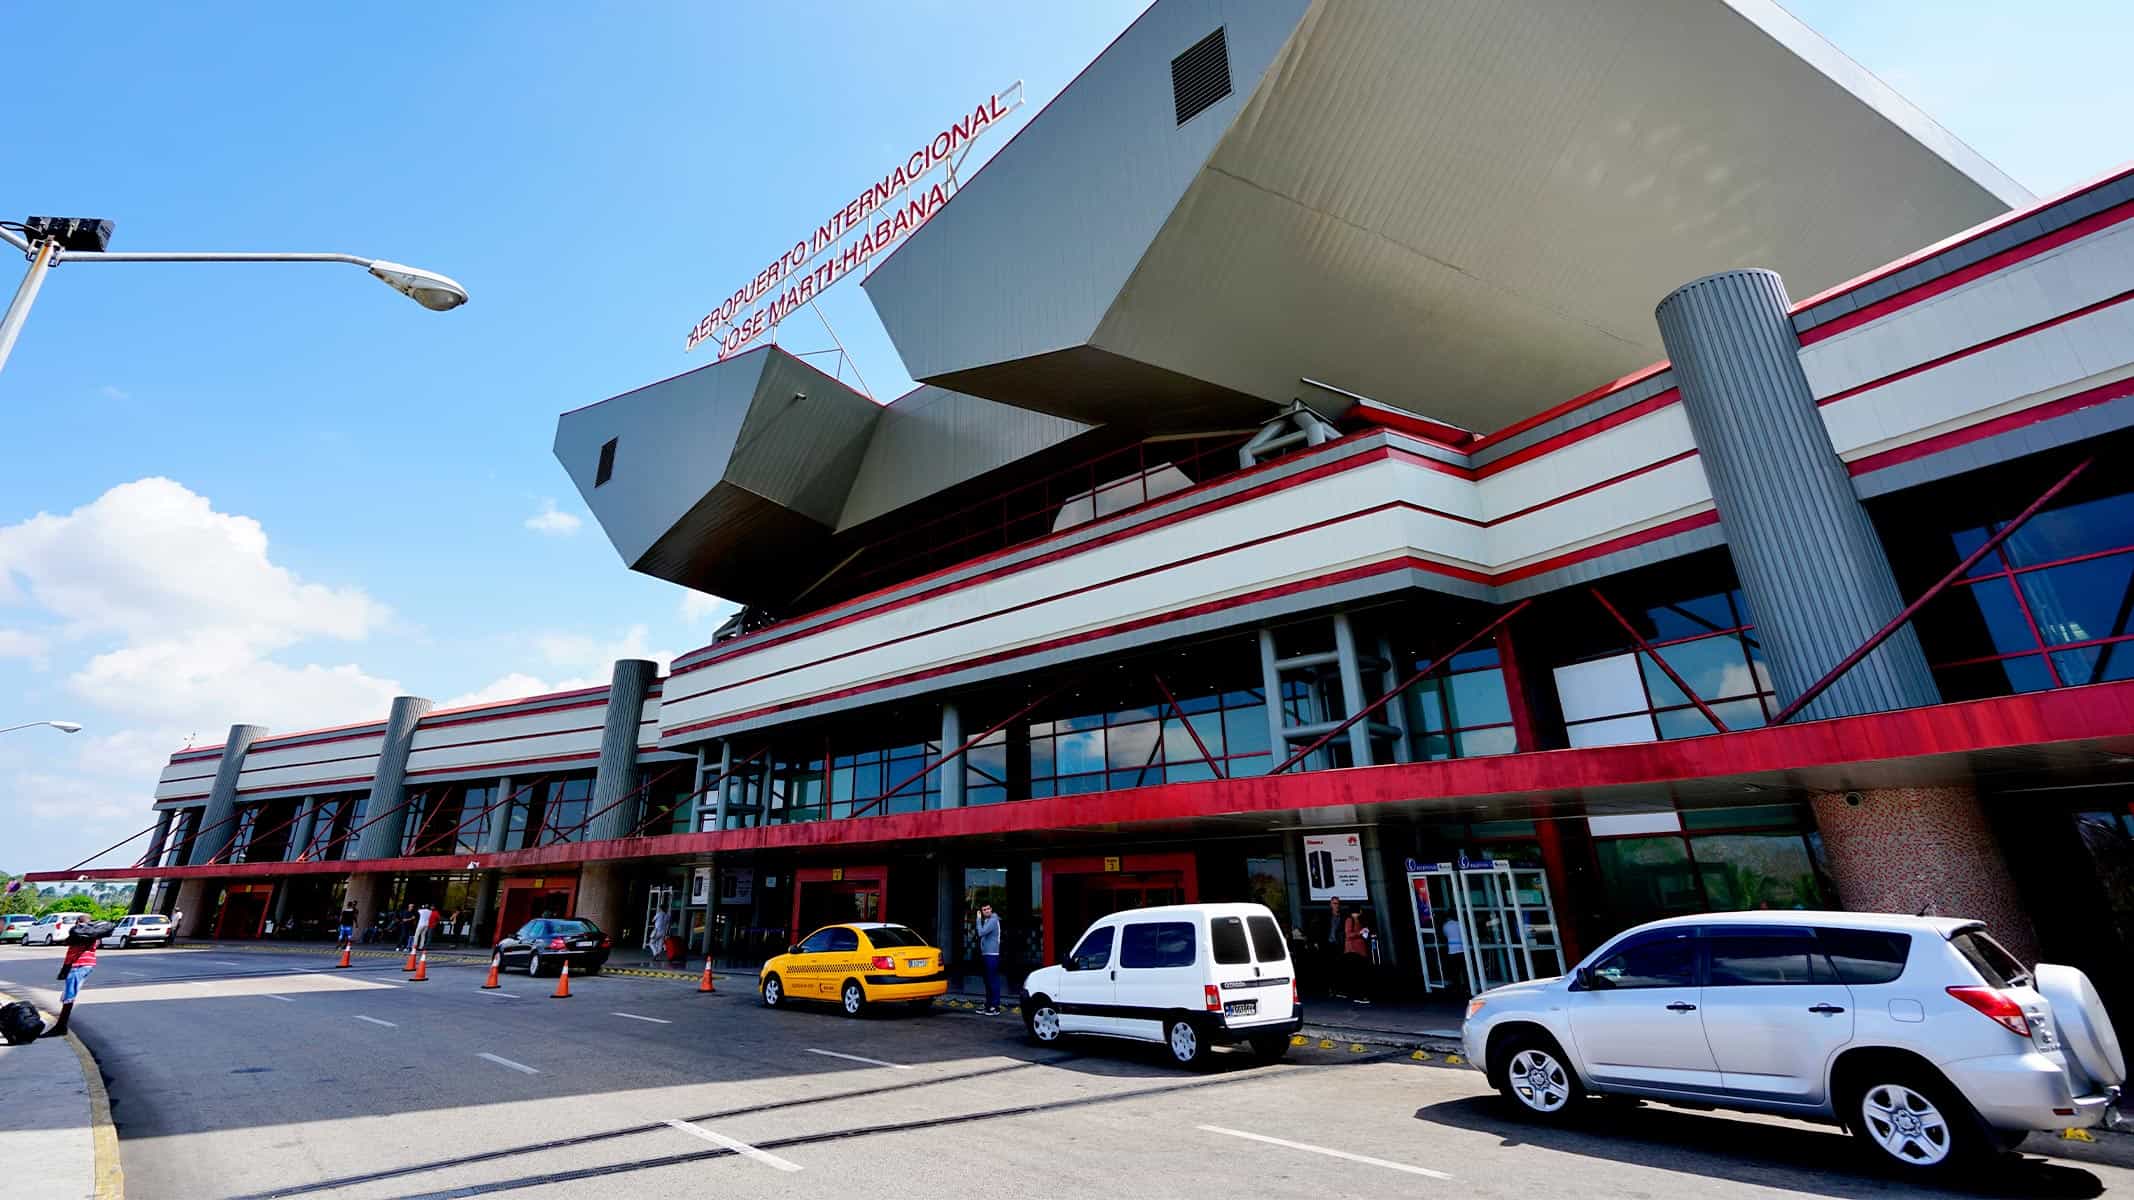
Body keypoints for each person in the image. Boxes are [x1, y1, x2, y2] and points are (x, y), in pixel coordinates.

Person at [48, 927, 97, 1038]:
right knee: (69, 995)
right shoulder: (93, 935)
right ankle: (61, 1025)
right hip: (87, 964)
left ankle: (61, 1026)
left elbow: (67, 944)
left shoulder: (80, 934)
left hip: (78, 965)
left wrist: (64, 970)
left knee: (69, 996)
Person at [974, 902, 1002, 1015]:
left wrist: (978, 919)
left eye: (988, 909)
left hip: (992, 955)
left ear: (991, 909)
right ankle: (989, 1005)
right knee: (988, 981)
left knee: (992, 981)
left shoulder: (993, 920)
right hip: (986, 954)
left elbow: (981, 932)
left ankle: (995, 1007)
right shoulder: (988, 921)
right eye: (984, 909)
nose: (986, 911)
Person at [1342, 906, 1372, 1006]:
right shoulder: (1350, 920)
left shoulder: (1357, 920)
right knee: (1358, 973)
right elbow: (1348, 934)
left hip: (1360, 951)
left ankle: (1359, 995)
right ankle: (1359, 995)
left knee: (1359, 973)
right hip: (1353, 950)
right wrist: (1360, 932)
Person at [1442, 914, 1467, 999]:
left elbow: (1445, 935)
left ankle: (1457, 986)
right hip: (1461, 949)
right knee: (1464, 969)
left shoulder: (1445, 926)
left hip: (1451, 950)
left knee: (1454, 971)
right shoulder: (1459, 924)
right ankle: (1466, 985)